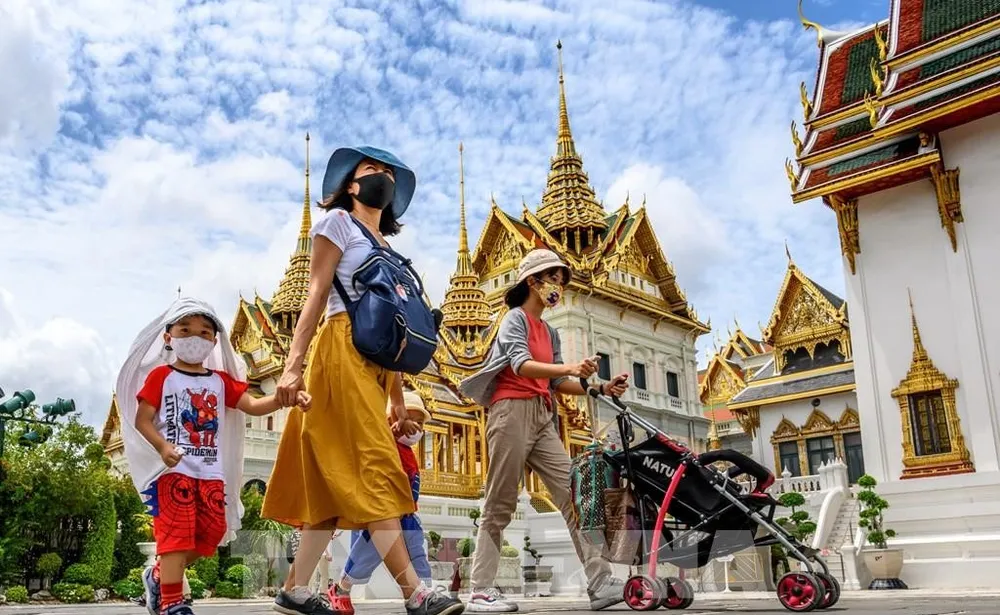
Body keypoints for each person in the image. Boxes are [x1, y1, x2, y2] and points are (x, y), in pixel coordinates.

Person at [260, 145, 464, 615]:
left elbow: (392, 332)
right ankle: (415, 590)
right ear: (350, 185)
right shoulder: (336, 224)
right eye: (372, 171)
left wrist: (395, 396)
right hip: (337, 352)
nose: (382, 179)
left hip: (374, 366)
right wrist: (292, 364)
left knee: (335, 480)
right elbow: (314, 294)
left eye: (388, 174)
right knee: (376, 466)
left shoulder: (388, 248)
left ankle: (294, 589)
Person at [459, 249, 631, 613]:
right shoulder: (514, 320)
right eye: (552, 278)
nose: (557, 286)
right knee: (500, 501)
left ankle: (600, 582)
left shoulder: (550, 331)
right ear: (532, 282)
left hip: (542, 415)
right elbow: (521, 366)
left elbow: (555, 382)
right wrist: (570, 366)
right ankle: (480, 589)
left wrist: (598, 388)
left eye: (560, 280)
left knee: (576, 496)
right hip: (510, 412)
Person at [116, 298, 308, 615]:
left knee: (212, 534)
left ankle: (158, 574)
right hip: (173, 474)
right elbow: (143, 419)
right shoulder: (161, 377)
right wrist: (163, 447)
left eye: (204, 332)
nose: (195, 337)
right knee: (176, 539)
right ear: (169, 337)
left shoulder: (219, 382)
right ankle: (172, 603)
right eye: (185, 329)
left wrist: (283, 398)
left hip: (210, 474)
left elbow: (253, 405)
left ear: (214, 340)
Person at [330, 391, 434, 613]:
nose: (415, 427)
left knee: (417, 551)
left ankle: (427, 594)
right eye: (410, 420)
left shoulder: (408, 452)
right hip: (379, 512)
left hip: (407, 513)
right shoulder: (383, 442)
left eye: (420, 423)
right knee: (366, 552)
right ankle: (341, 588)